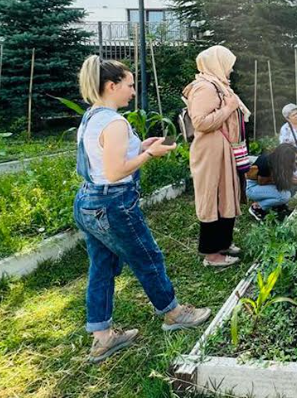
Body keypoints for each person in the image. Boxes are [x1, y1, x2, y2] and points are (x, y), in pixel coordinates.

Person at [73, 56, 211, 363]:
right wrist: (149, 154)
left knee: (102, 266)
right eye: (130, 85)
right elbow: (114, 171)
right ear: (112, 86)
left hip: (88, 202)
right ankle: (173, 314)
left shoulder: (92, 116)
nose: (133, 92)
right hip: (113, 204)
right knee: (148, 257)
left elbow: (101, 158)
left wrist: (140, 145)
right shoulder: (115, 121)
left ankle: (102, 336)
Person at [183, 45, 250, 268]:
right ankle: (212, 255)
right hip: (211, 152)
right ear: (217, 64)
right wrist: (229, 108)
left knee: (226, 195)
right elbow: (200, 122)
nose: (231, 70)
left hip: (223, 150)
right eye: (228, 65)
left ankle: (223, 244)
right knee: (213, 197)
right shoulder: (205, 87)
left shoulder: (219, 86)